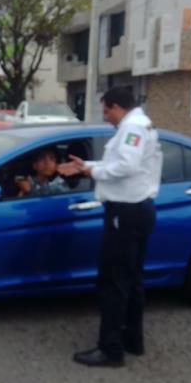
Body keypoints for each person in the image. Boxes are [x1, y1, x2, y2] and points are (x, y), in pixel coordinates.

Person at [58, 87, 162, 367]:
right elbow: (123, 163)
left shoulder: (133, 128)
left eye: (106, 111)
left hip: (125, 213)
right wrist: (86, 165)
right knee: (132, 280)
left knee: (113, 282)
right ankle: (132, 339)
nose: (106, 118)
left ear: (117, 107)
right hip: (136, 211)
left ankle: (110, 350)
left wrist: (92, 171)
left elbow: (125, 166)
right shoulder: (140, 125)